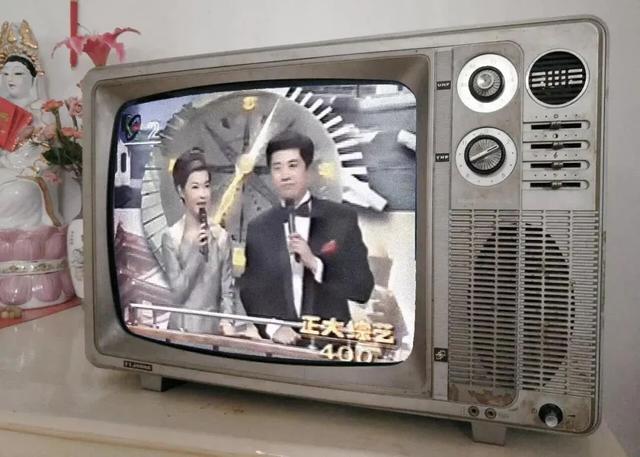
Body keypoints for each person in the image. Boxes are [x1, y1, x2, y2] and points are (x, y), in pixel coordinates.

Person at [239, 130, 374, 345]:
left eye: (293, 165)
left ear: (308, 171)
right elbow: (251, 290)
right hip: (280, 351)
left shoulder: (341, 218)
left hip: (332, 347)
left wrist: (315, 264)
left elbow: (362, 288)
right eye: (277, 167)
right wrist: (273, 328)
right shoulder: (259, 227)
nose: (285, 175)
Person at [161, 148, 236, 334]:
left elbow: (227, 291)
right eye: (195, 187)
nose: (203, 194)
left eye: (206, 186)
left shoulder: (221, 238)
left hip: (212, 334)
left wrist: (228, 321)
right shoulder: (172, 238)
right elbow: (177, 294)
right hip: (180, 331)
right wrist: (195, 252)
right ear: (181, 191)